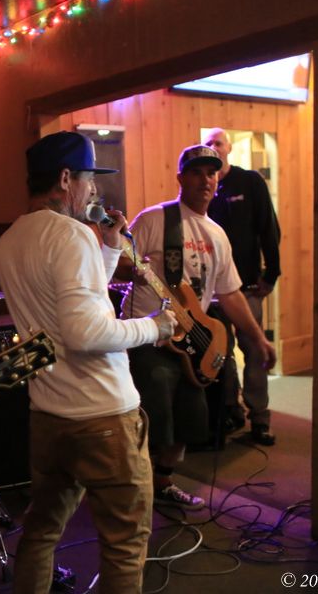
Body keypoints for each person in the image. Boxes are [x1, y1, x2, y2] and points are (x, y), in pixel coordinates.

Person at [0, 131, 177, 593]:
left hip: (49, 416)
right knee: (124, 543)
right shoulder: (71, 234)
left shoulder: (11, 239)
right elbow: (86, 332)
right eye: (89, 179)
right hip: (102, 418)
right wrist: (154, 327)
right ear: (64, 179)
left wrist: (111, 247)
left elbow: (77, 303)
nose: (94, 189)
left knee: (41, 531)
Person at [121, 144, 276, 510]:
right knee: (155, 415)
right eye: (196, 172)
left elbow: (230, 294)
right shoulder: (155, 219)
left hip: (192, 342)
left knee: (191, 419)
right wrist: (133, 272)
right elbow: (117, 263)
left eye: (211, 173)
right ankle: (135, 490)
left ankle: (163, 482)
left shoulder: (217, 235)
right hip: (150, 337)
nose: (205, 180)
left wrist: (258, 339)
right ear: (181, 178)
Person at [203, 128, 282, 445]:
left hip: (248, 287)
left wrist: (271, 273)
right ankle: (230, 411)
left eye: (218, 143)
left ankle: (260, 418)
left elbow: (269, 228)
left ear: (229, 148)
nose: (214, 147)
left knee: (255, 350)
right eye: (208, 143)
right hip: (213, 292)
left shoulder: (250, 182)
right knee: (222, 355)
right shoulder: (205, 188)